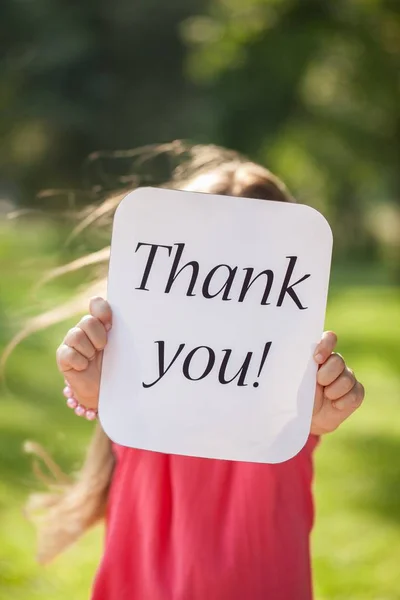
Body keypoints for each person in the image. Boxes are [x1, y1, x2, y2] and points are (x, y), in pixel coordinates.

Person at [28, 143, 365, 600]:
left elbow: (298, 421)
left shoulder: (285, 397)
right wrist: (95, 391)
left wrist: (311, 415)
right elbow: (115, 400)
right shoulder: (140, 379)